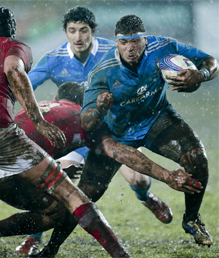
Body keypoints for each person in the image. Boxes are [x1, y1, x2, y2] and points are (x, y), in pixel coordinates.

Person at [0, 7, 134, 258]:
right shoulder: (12, 47)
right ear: (11, 30)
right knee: (69, 196)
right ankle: (121, 256)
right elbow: (13, 70)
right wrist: (38, 120)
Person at [0, 82, 202, 258]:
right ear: (83, 102)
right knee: (58, 210)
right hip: (12, 167)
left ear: (58, 97)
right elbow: (121, 152)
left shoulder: (41, 107)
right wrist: (167, 175)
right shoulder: (82, 116)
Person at [17, 6, 173, 254]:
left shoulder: (113, 51)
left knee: (139, 178)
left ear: (93, 31)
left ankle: (146, 197)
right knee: (56, 182)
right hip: (77, 134)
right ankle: (34, 237)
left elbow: (141, 71)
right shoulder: (54, 59)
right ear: (65, 32)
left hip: (113, 131)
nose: (78, 37)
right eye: (72, 31)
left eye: (83, 30)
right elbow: (23, 85)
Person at [78, 14, 218, 248]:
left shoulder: (163, 47)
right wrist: (99, 109)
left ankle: (192, 219)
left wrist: (201, 75)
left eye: (136, 41)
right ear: (116, 43)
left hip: (156, 119)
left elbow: (211, 62)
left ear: (145, 39)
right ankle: (51, 246)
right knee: (83, 197)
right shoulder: (103, 71)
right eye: (124, 42)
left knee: (197, 158)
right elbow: (86, 122)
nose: (130, 48)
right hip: (116, 133)